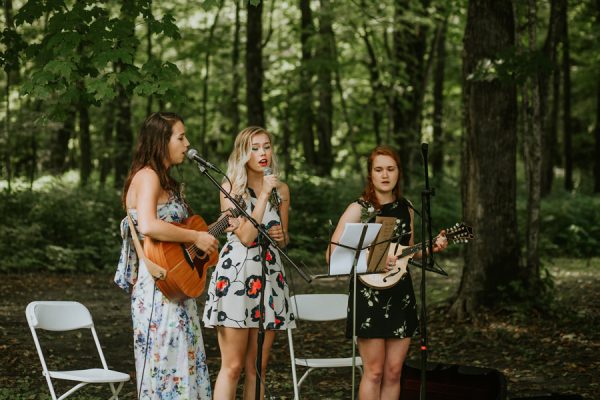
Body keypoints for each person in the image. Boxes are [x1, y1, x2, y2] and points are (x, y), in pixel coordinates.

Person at [326, 146, 447, 400]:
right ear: (370, 174)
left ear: (398, 173)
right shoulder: (359, 209)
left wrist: (431, 247)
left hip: (400, 293)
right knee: (374, 372)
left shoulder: (407, 207)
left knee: (393, 372)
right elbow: (331, 254)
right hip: (368, 295)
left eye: (390, 169)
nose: (385, 175)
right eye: (378, 169)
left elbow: (408, 251)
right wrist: (372, 257)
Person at [114, 112, 219, 399]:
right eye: (180, 137)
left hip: (175, 283)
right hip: (157, 289)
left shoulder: (164, 180)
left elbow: (177, 239)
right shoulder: (147, 176)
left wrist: (207, 233)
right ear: (162, 141)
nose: (187, 143)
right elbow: (148, 225)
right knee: (168, 364)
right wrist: (196, 236)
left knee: (183, 362)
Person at [203, 126, 295, 400]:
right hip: (237, 276)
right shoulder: (231, 188)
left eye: (266, 146)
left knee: (258, 367)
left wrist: (281, 236)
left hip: (269, 275)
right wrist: (264, 194)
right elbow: (246, 236)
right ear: (243, 153)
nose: (262, 153)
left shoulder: (283, 190)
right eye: (254, 148)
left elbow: (283, 237)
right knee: (232, 366)